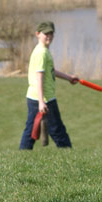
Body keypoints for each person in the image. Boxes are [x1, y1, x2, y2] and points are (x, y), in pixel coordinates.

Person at [19, 21, 79, 150]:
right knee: (58, 130)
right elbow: (39, 77)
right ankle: (70, 157)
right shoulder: (41, 53)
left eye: (51, 33)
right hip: (44, 99)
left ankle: (22, 155)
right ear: (37, 34)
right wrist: (41, 102)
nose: (49, 36)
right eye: (46, 33)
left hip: (37, 98)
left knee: (31, 130)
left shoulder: (43, 51)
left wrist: (68, 78)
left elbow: (50, 71)